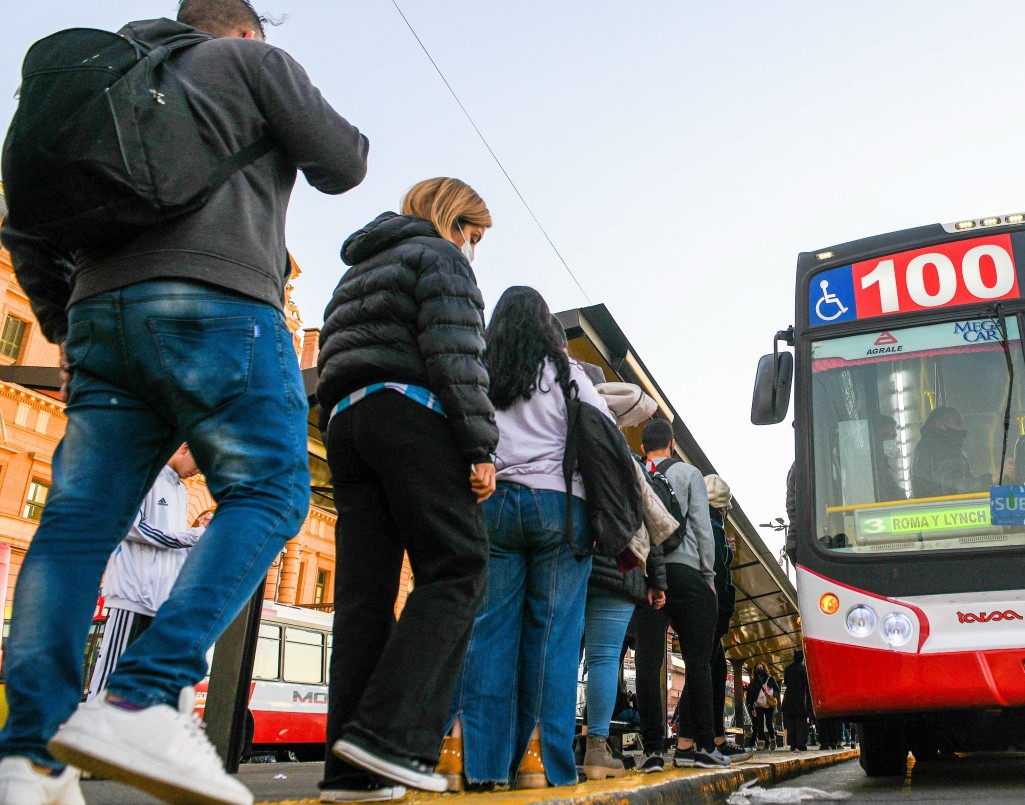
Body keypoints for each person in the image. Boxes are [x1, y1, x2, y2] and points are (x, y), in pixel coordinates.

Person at [0, 1, 368, 803]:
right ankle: (142, 694)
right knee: (271, 490)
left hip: (100, 320)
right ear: (240, 30)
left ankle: (27, 756)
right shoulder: (247, 62)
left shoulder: (96, 85)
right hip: (220, 303)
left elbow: (23, 223)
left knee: (73, 525)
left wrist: (66, 326)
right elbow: (344, 161)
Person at [315, 177, 498, 801]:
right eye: (471, 234)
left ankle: (349, 775)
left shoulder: (354, 272)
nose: (470, 248)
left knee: (363, 597)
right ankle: (390, 738)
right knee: (459, 566)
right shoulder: (438, 257)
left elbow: (333, 356)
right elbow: (457, 355)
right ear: (452, 220)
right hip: (410, 414)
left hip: (345, 423)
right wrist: (479, 448)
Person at [457, 287, 607, 789]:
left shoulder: (483, 372)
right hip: (561, 511)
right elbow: (603, 431)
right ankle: (537, 763)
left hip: (494, 506)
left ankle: (465, 756)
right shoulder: (567, 375)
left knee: (488, 634)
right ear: (547, 326)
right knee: (552, 641)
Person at [580, 381, 672, 781]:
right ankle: (597, 750)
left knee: (566, 652)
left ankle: (550, 743)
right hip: (622, 568)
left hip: (578, 560)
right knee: (603, 659)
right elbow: (655, 527)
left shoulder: (572, 445)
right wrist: (658, 581)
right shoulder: (630, 462)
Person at [633, 419, 730, 772]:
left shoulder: (635, 470)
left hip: (646, 574)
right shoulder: (690, 474)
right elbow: (704, 530)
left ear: (643, 447)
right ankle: (703, 746)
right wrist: (708, 577)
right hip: (688, 571)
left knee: (647, 663)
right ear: (672, 444)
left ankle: (654, 751)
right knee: (698, 664)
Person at [87, 446, 206, 698]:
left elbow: (171, 544)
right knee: (113, 669)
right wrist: (189, 537)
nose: (200, 469)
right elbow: (131, 527)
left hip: (158, 599)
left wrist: (198, 541)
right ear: (185, 447)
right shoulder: (144, 476)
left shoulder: (181, 491)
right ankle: (92, 726)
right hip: (132, 594)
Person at [675, 475, 753, 764]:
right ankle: (690, 743)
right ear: (723, 507)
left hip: (697, 606)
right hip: (708, 611)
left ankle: (715, 739)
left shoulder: (694, 521)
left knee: (715, 670)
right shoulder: (713, 526)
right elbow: (718, 577)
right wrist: (722, 616)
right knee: (703, 671)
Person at [910, 406, 987, 498]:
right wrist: (990, 480)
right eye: (958, 423)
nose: (964, 427)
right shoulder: (942, 449)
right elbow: (958, 488)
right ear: (940, 424)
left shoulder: (926, 447)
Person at [781, 652, 812, 751]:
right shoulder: (804, 669)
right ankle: (800, 744)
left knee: (791, 723)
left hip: (789, 699)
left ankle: (793, 744)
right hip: (800, 699)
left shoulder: (788, 668)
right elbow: (807, 684)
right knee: (801, 723)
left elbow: (785, 682)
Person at [746, 663, 779, 750]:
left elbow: (777, 689)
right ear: (755, 670)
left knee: (769, 723)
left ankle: (772, 739)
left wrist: (773, 695)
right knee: (760, 724)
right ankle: (761, 743)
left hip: (769, 705)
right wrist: (751, 708)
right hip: (759, 705)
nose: (759, 669)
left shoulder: (770, 678)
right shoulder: (754, 682)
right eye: (757, 668)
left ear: (764, 668)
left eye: (761, 668)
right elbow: (750, 696)